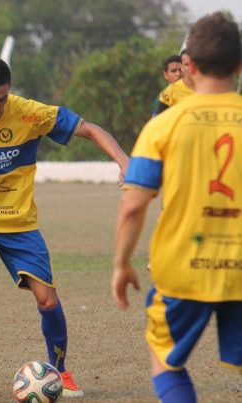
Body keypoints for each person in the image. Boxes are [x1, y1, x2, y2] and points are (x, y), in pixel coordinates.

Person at [0, 58, 129, 398]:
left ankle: (60, 373)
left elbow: (90, 129)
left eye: (1, 99)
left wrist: (124, 161)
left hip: (18, 223)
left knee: (47, 301)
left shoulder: (30, 113)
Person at [112, 12, 242, 403]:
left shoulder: (163, 125)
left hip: (184, 268)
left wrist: (121, 264)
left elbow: (133, 205)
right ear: (239, 65)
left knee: (164, 358)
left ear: (192, 66)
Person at [154, 50, 194, 115]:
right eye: (173, 71)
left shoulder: (207, 87)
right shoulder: (166, 95)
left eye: (180, 70)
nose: (178, 74)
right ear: (165, 75)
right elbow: (155, 119)